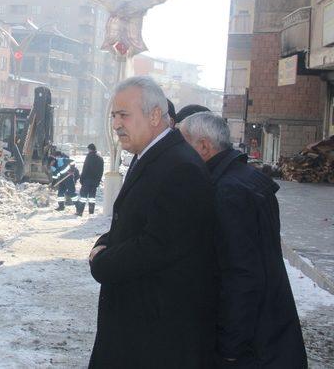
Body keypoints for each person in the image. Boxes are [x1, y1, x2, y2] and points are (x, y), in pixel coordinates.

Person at [88, 76, 216, 368]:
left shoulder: (180, 167)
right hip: (137, 325)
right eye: (113, 116)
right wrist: (104, 243)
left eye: (124, 115)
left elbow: (159, 245)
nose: (116, 124)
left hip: (154, 336)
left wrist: (103, 262)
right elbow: (132, 221)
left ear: (155, 115)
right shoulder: (151, 155)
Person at [179, 112, 307, 368]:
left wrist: (229, 347)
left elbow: (241, 273)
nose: (179, 154)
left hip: (253, 346)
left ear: (204, 146)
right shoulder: (243, 178)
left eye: (183, 145)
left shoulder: (227, 192)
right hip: (271, 331)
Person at [75, 143, 104, 216]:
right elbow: (101, 170)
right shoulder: (100, 158)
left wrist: (81, 179)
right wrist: (98, 180)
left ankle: (80, 212)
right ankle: (91, 212)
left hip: (87, 180)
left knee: (83, 196)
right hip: (95, 181)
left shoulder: (89, 156)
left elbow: (85, 168)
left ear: (90, 149)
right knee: (92, 197)